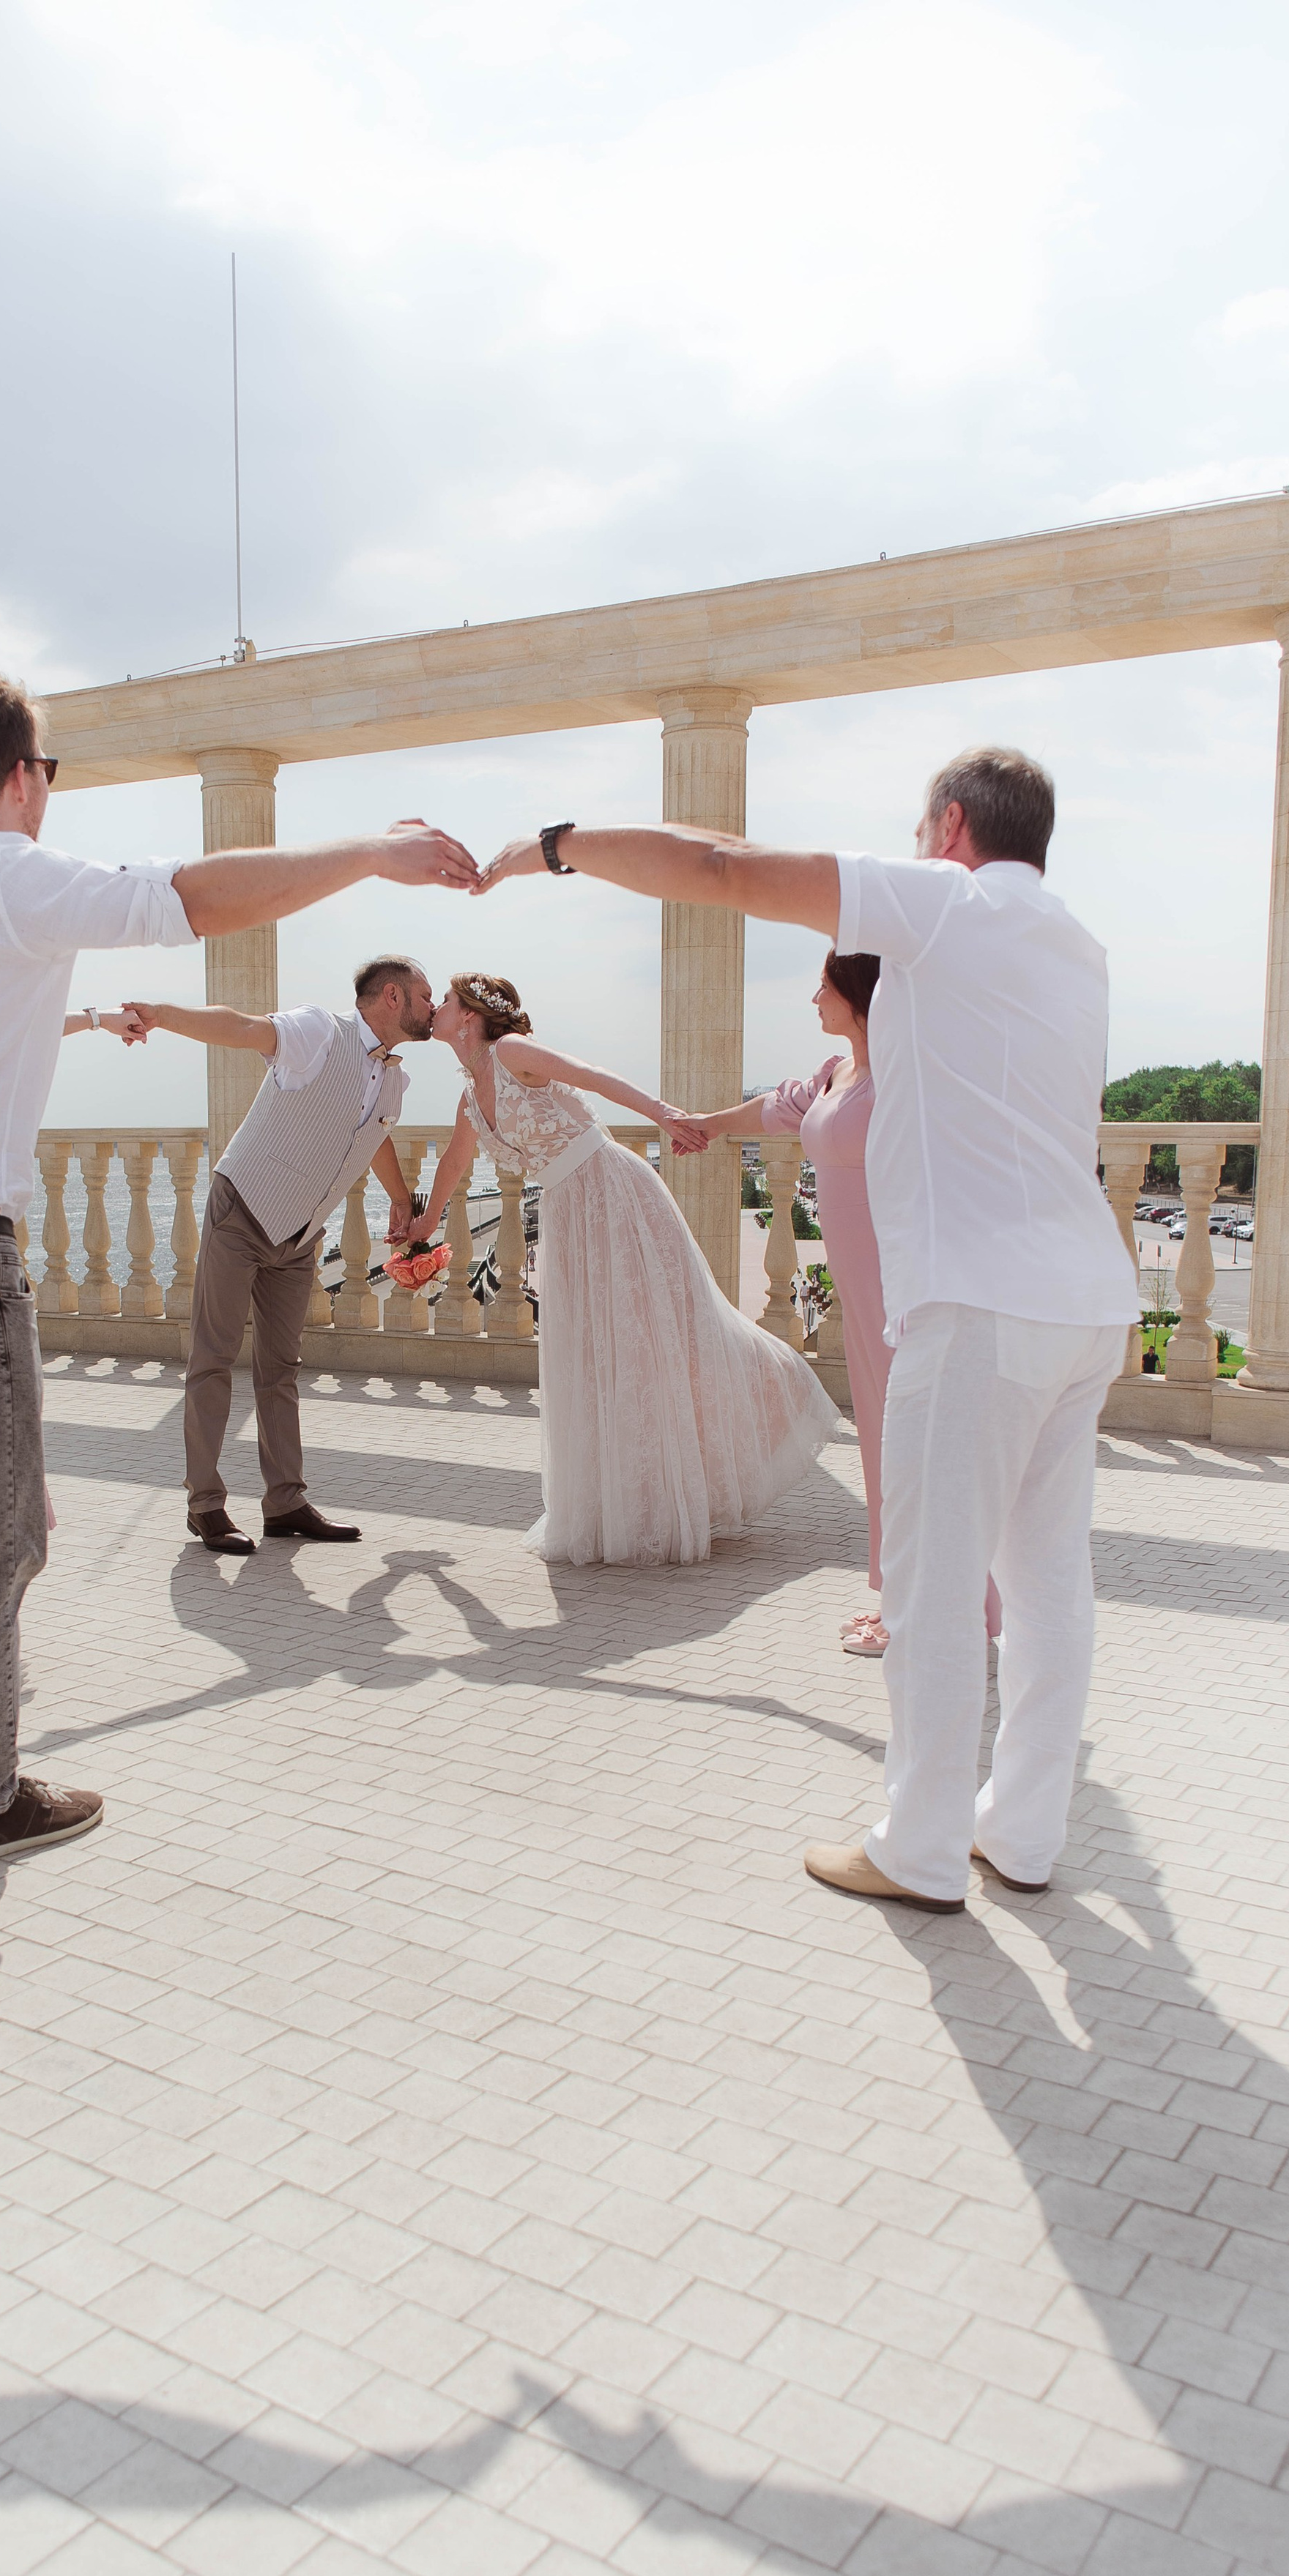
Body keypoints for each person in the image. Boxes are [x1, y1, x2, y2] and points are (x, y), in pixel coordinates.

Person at [0, 665, 478, 1862]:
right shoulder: (10, 878)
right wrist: (373, 853)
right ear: (22, 778)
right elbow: (193, 896)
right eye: (52, 774)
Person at [475, 755, 1137, 1907]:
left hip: (978, 1306)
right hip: (1085, 1299)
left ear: (951, 824)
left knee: (933, 1584)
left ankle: (920, 1847)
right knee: (1047, 1583)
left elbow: (720, 865)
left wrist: (554, 845)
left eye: (919, 825)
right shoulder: (1078, 939)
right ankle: (1022, 1832)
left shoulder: (942, 901)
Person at [404, 974, 836, 1566]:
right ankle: (629, 1504)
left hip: (615, 1194)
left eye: (446, 1001)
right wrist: (424, 1224)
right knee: (602, 1353)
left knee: (666, 1335)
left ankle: (776, 1392)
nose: (436, 1009)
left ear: (471, 1015)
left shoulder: (510, 1054)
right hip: (568, 1215)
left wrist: (664, 1115)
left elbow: (592, 1076)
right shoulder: (467, 1098)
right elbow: (454, 1161)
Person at [685, 952, 1000, 1661]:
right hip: (865, 1296)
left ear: (858, 995)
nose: (811, 998)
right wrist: (705, 1122)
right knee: (888, 1443)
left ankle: (943, 1612)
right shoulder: (837, 1074)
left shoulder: (911, 1074)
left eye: (823, 987)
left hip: (910, 1287)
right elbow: (775, 1108)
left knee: (923, 1446)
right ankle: (906, 1601)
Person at [124, 959, 435, 1552]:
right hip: (242, 1209)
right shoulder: (320, 1031)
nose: (433, 1006)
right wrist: (163, 1015)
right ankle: (205, 1504)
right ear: (392, 997)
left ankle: (285, 1502)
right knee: (212, 1359)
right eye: (425, 995)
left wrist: (400, 1198)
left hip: (300, 1235)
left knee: (280, 1368)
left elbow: (375, 1137)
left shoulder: (393, 1079)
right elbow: (243, 1027)